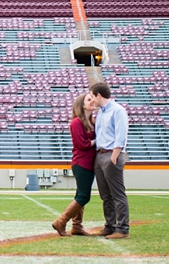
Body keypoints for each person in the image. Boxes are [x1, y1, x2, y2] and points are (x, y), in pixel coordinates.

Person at [51, 92, 97, 236]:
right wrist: (97, 141)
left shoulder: (92, 121)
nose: (93, 101)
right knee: (84, 196)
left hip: (89, 163)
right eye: (89, 99)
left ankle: (77, 226)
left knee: (80, 194)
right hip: (81, 163)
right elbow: (82, 144)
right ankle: (61, 221)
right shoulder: (76, 122)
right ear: (82, 104)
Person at [90, 81, 130, 239]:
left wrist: (115, 154)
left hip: (111, 154)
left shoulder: (117, 110)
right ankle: (110, 226)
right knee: (105, 195)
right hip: (100, 155)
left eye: (92, 96)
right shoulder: (101, 112)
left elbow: (121, 134)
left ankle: (122, 229)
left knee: (117, 194)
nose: (92, 100)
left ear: (99, 95)